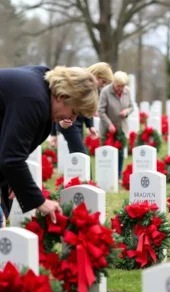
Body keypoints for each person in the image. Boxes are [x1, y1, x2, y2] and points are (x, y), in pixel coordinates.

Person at [0, 65, 98, 224]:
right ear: (62, 96)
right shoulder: (34, 99)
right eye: (73, 112)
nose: (71, 120)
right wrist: (41, 202)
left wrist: (13, 180)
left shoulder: (42, 86)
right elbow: (12, 159)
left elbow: (7, 146)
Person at [49, 62, 114, 153]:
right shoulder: (78, 82)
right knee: (81, 153)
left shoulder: (95, 89)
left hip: (79, 123)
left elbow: (88, 108)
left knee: (76, 155)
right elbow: (57, 106)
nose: (103, 86)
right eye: (103, 82)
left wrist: (90, 126)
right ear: (97, 75)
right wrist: (53, 133)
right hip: (67, 123)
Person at [99, 71, 133, 181]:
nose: (121, 89)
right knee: (107, 153)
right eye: (119, 86)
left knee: (120, 153)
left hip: (121, 127)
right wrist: (109, 124)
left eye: (123, 86)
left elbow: (132, 106)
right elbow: (101, 111)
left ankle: (118, 176)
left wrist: (127, 111)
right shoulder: (105, 92)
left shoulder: (127, 91)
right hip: (108, 128)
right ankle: (107, 176)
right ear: (114, 83)